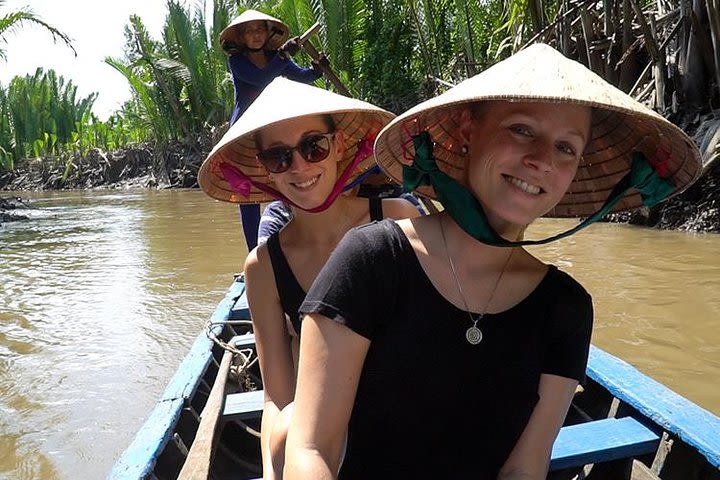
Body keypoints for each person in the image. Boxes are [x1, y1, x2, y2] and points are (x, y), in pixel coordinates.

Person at [283, 43, 702, 479]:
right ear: (467, 131)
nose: (541, 160)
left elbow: (524, 467)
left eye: (566, 148)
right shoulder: (371, 261)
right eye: (522, 130)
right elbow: (312, 448)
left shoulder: (567, 308)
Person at [197, 77, 421, 480]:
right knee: (287, 432)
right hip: (330, 427)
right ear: (265, 168)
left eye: (313, 145)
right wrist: (272, 467)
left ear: (336, 147)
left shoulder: (399, 219)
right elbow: (278, 398)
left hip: (415, 408)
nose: (299, 167)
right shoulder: (263, 266)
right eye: (279, 157)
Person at [219, 9, 325, 252]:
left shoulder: (275, 57)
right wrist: (284, 56)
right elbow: (260, 78)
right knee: (247, 196)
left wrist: (317, 69)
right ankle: (253, 254)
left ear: (268, 33)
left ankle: (293, 246)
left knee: (287, 181)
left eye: (260, 30)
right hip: (244, 130)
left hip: (271, 128)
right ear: (241, 37)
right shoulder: (237, 61)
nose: (255, 35)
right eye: (249, 31)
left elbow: (301, 76)